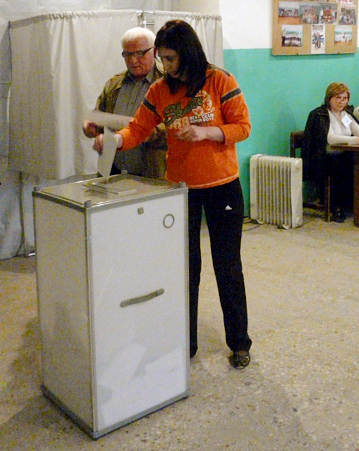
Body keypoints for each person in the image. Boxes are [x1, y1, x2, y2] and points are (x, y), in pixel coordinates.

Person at [93, 20, 252, 369]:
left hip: (223, 186)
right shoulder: (160, 90)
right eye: (162, 59)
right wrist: (115, 140)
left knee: (227, 266)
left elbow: (243, 126)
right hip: (181, 191)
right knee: (185, 269)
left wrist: (208, 132)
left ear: (188, 53)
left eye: (170, 58)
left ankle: (239, 343)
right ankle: (186, 342)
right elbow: (139, 128)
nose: (165, 66)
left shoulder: (219, 80)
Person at [82, 27, 166, 178]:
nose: (133, 60)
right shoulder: (114, 84)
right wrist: (91, 126)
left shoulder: (169, 83)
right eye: (127, 54)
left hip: (153, 176)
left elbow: (176, 128)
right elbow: (99, 117)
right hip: (114, 172)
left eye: (139, 53)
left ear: (154, 51)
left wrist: (141, 132)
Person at [302, 82, 359, 223]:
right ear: (329, 98)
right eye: (338, 98)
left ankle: (357, 204)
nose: (342, 101)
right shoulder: (321, 115)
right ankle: (336, 206)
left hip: (342, 154)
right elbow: (331, 139)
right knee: (343, 165)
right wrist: (358, 140)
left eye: (345, 98)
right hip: (323, 158)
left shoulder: (345, 115)